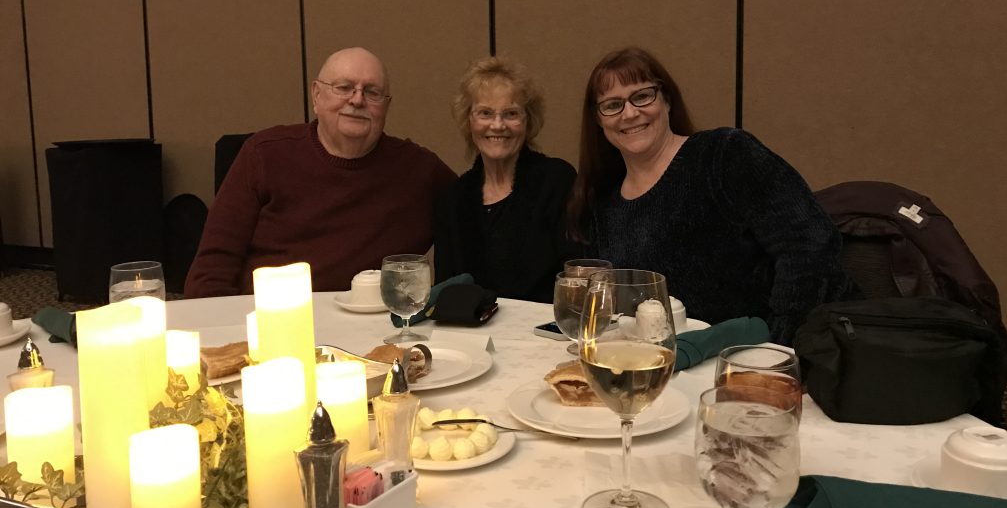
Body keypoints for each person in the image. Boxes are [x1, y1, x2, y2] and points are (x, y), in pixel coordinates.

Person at [566, 46, 856, 344]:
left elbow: (810, 243)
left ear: (667, 100)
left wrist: (779, 344)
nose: (629, 113)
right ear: (598, 120)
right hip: (664, 360)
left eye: (642, 96)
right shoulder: (603, 203)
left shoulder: (724, 155)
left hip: (758, 353)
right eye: (612, 105)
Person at [185, 47, 456, 297]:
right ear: (316, 95)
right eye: (343, 88)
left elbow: (474, 211)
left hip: (375, 327)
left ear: (386, 105)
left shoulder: (419, 171)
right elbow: (211, 272)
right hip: (273, 321)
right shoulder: (264, 155)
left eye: (372, 92)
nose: (357, 100)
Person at [433, 57, 580, 302]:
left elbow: (576, 278)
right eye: (485, 113)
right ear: (469, 121)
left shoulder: (557, 181)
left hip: (546, 325)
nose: (498, 125)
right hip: (469, 327)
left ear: (527, 121)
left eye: (511, 113)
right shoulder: (452, 199)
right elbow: (445, 293)